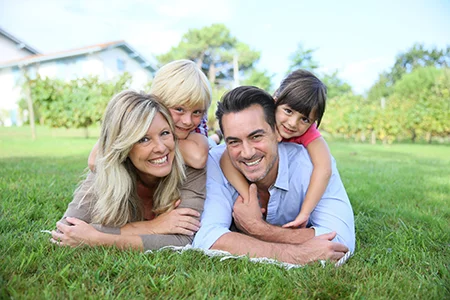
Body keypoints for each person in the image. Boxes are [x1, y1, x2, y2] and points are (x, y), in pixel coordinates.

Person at [193, 86, 355, 265]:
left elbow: (341, 240)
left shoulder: (311, 166)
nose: (247, 153)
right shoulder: (216, 162)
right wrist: (295, 254)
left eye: (256, 137)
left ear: (277, 131)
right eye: (234, 142)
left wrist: (259, 230)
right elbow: (207, 238)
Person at [51, 91, 206, 250]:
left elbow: (182, 239)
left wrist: (97, 238)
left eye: (165, 133)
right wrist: (153, 226)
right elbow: (66, 230)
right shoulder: (106, 170)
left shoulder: (190, 170)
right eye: (144, 139)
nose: (161, 148)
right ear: (124, 146)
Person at [220, 70, 331, 228]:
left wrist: (305, 213)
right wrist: (249, 197)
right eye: (288, 111)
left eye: (304, 119)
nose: (292, 123)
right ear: (276, 101)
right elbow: (225, 159)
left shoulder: (310, 133)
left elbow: (324, 169)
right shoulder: (264, 115)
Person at [88, 59, 212, 171]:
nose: (187, 121)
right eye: (179, 109)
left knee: (212, 147)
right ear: (159, 102)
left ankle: (215, 137)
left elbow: (198, 158)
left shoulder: (196, 121)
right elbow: (94, 161)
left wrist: (139, 143)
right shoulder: (141, 114)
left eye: (197, 112)